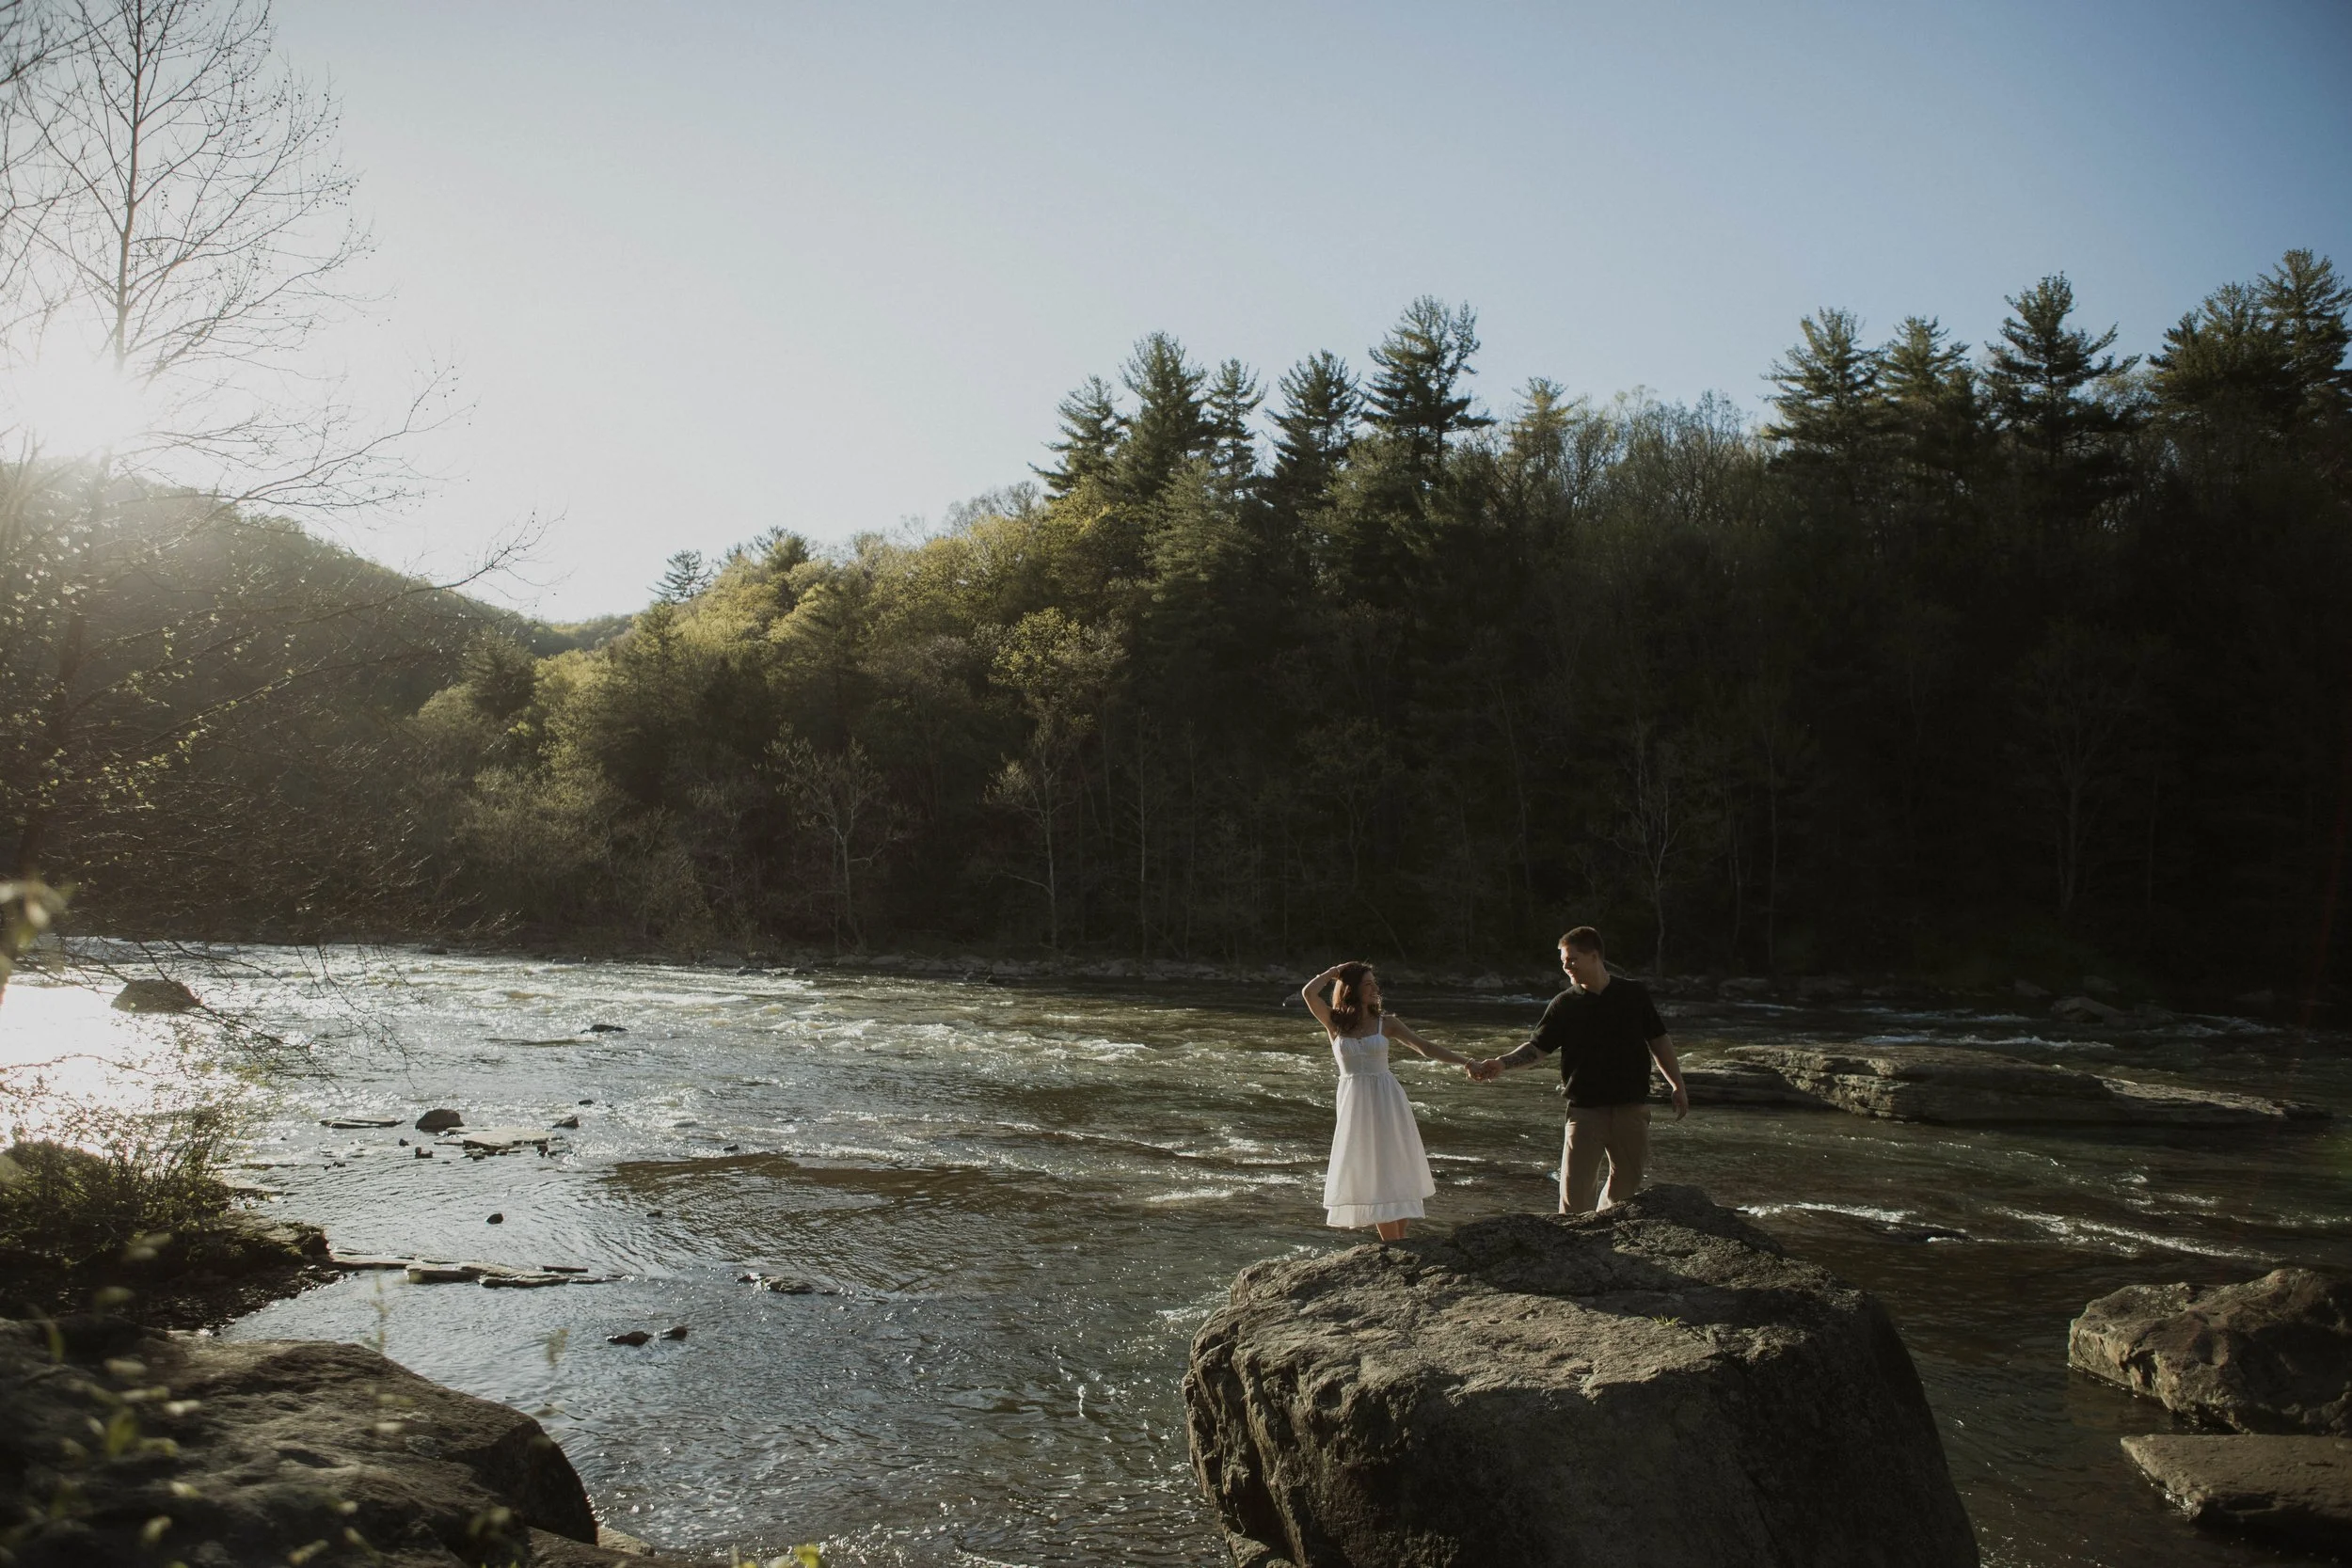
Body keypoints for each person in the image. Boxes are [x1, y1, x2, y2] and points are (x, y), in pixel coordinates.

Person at [1471, 927, 1689, 1213]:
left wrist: (1677, 1085)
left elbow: (1659, 1040)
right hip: (1584, 1112)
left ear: (1594, 955)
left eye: (1572, 959)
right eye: (1563, 961)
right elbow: (1537, 1049)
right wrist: (1501, 1063)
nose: (1566, 966)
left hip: (1631, 1109)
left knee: (1626, 1187)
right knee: (1574, 1198)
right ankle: (1577, 1244)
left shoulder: (1633, 994)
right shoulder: (1564, 1004)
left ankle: (1602, 1226)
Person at [1302, 960, 1477, 1241]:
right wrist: (1333, 972)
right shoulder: (1335, 1023)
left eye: (1375, 983)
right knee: (1371, 1168)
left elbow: (1426, 1048)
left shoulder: (1387, 1023)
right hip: (1355, 1104)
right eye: (1368, 983)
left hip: (1386, 1100)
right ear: (1351, 989)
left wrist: (1466, 1062)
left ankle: (1399, 1242)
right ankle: (1397, 1244)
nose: (1375, 988)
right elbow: (1309, 994)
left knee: (1393, 1166)